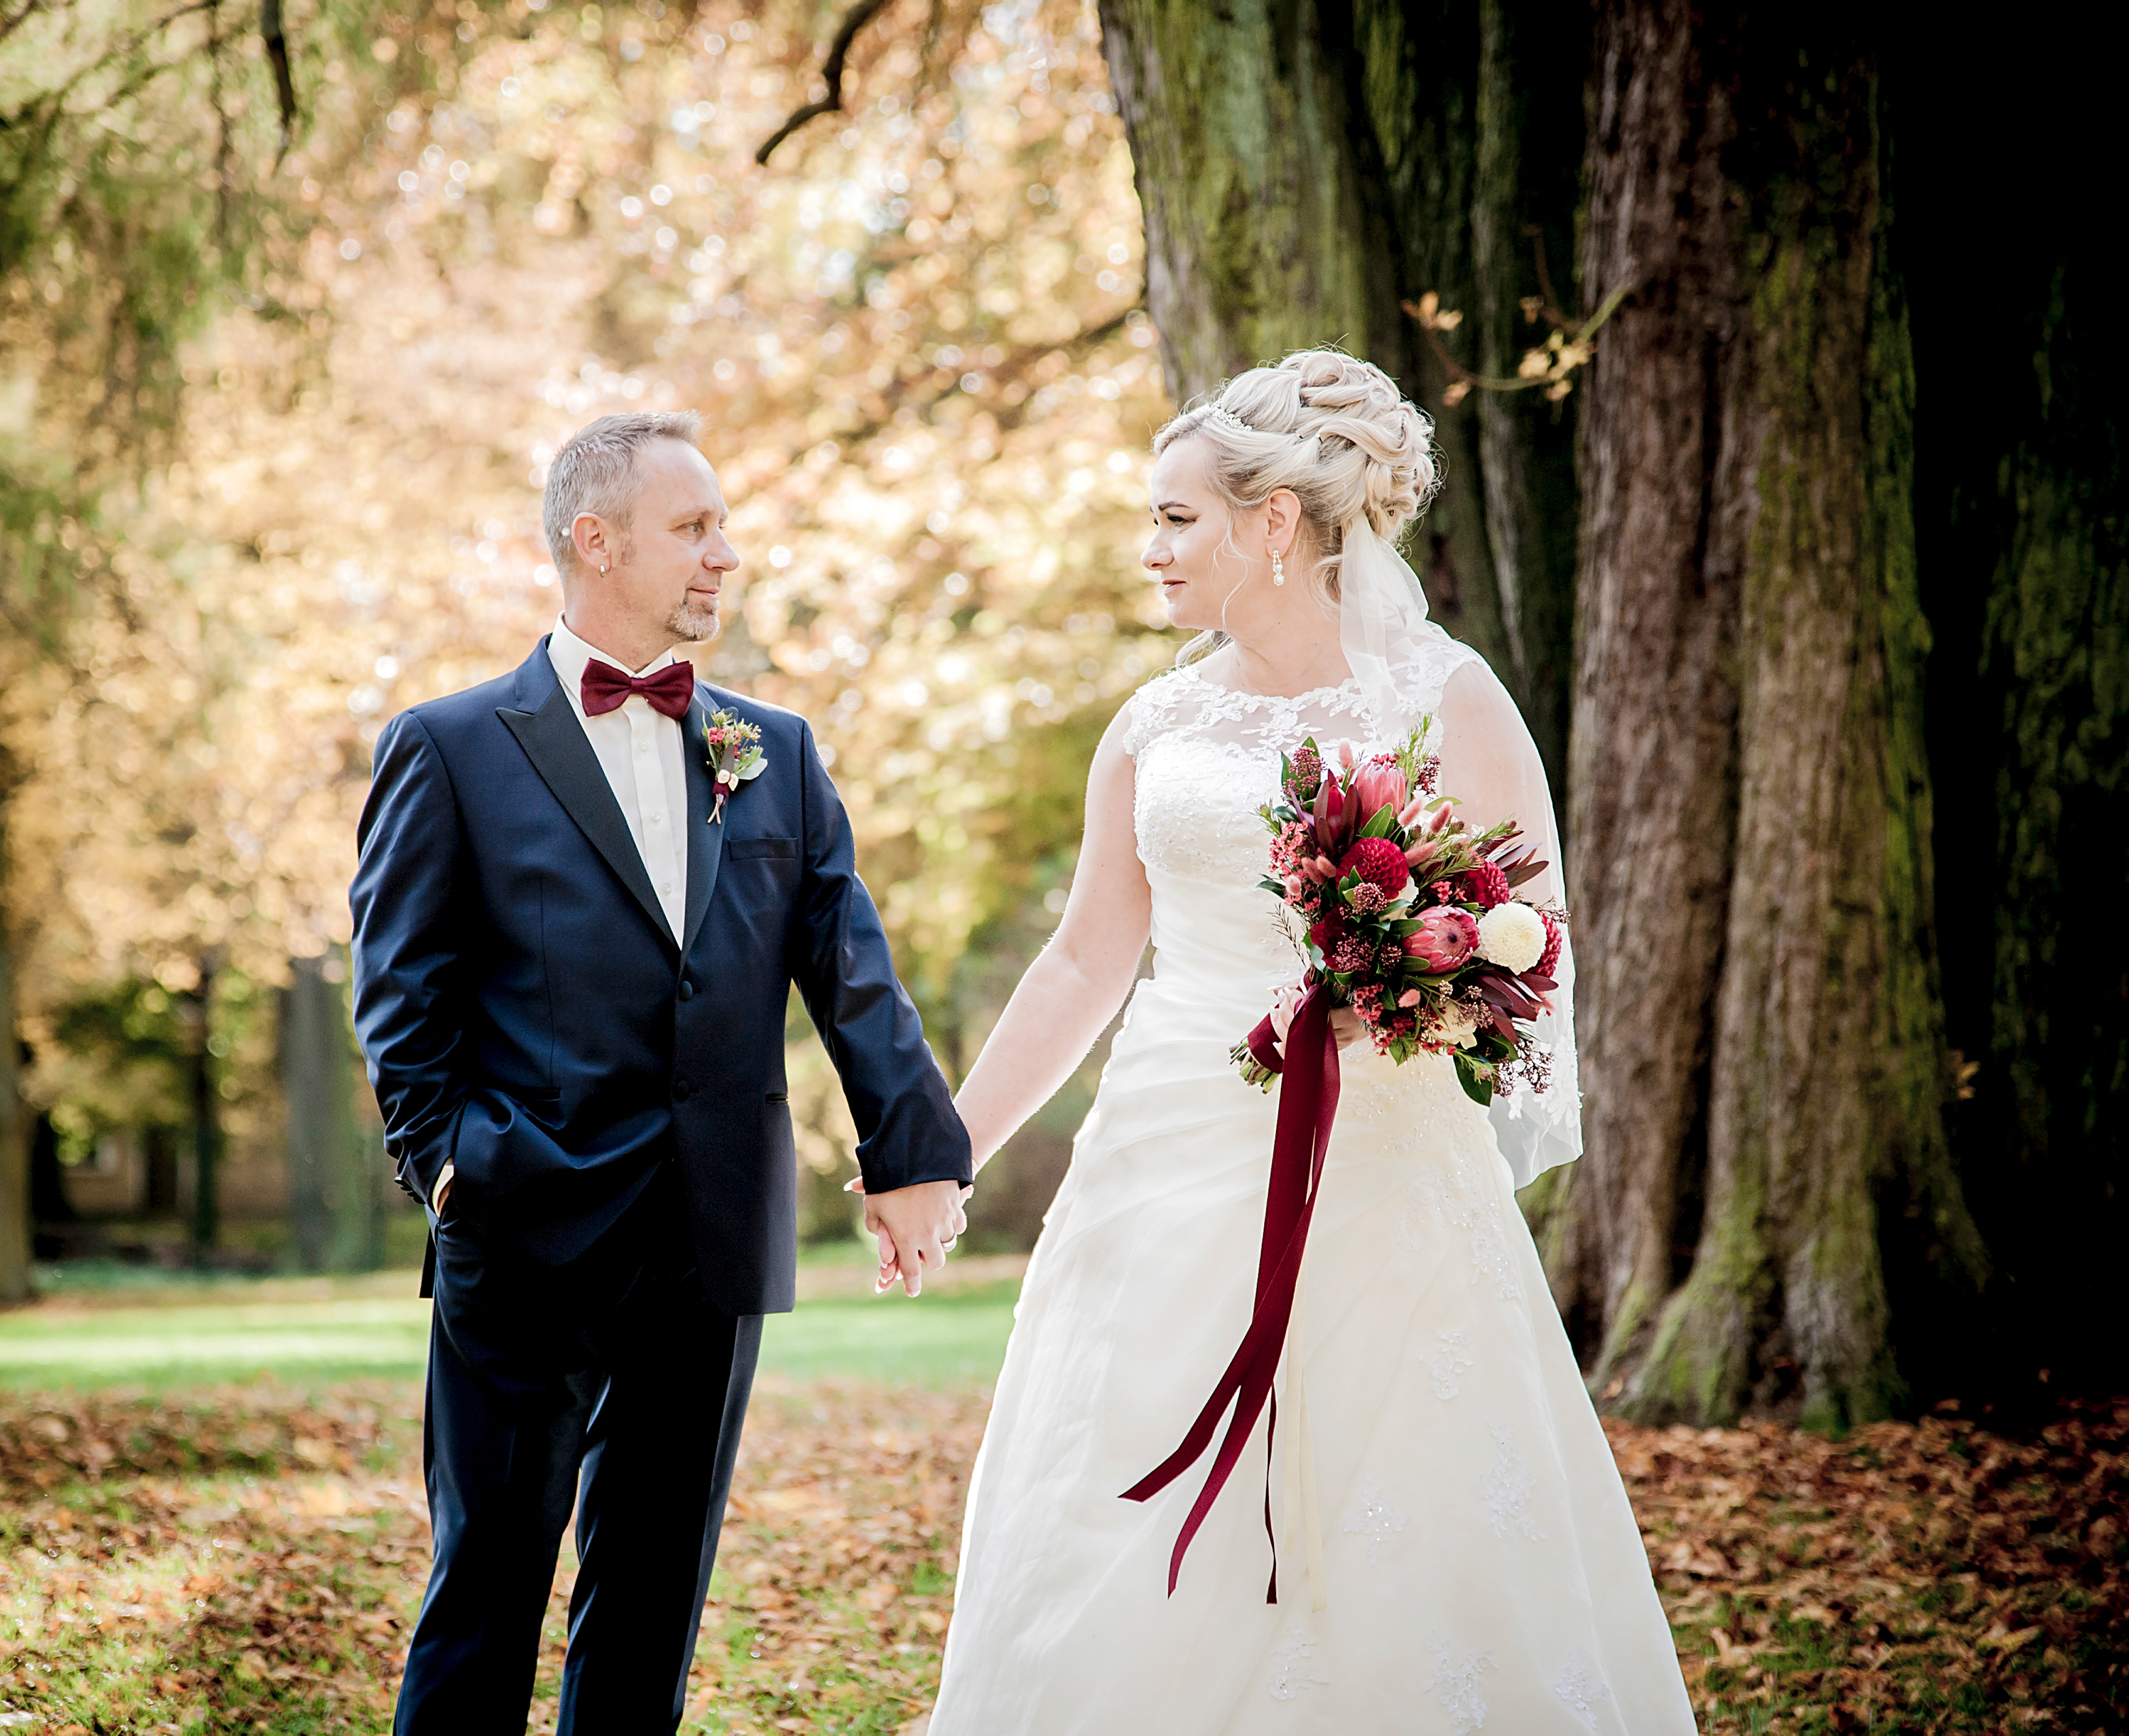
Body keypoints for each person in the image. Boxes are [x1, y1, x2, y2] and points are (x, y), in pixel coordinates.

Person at [928, 351, 1697, 1731]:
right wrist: (946, 1150)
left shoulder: (1445, 695)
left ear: (1273, 523)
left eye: (1177, 519)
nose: (1152, 549)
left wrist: (1411, 986)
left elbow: (1531, 933)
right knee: (1125, 1464)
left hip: (1383, 1166)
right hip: (1163, 1158)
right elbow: (1086, 960)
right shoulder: (1154, 724)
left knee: (1393, 1470)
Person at [349, 410, 973, 1735]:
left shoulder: (772, 751)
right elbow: (401, 995)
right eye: (694, 528)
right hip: (521, 1220)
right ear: (597, 540)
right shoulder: (449, 746)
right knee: (487, 1585)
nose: (725, 556)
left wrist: (914, 1152)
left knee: (651, 1598)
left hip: (711, 1229)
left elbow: (850, 966)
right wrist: (451, 1167)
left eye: (723, 527)